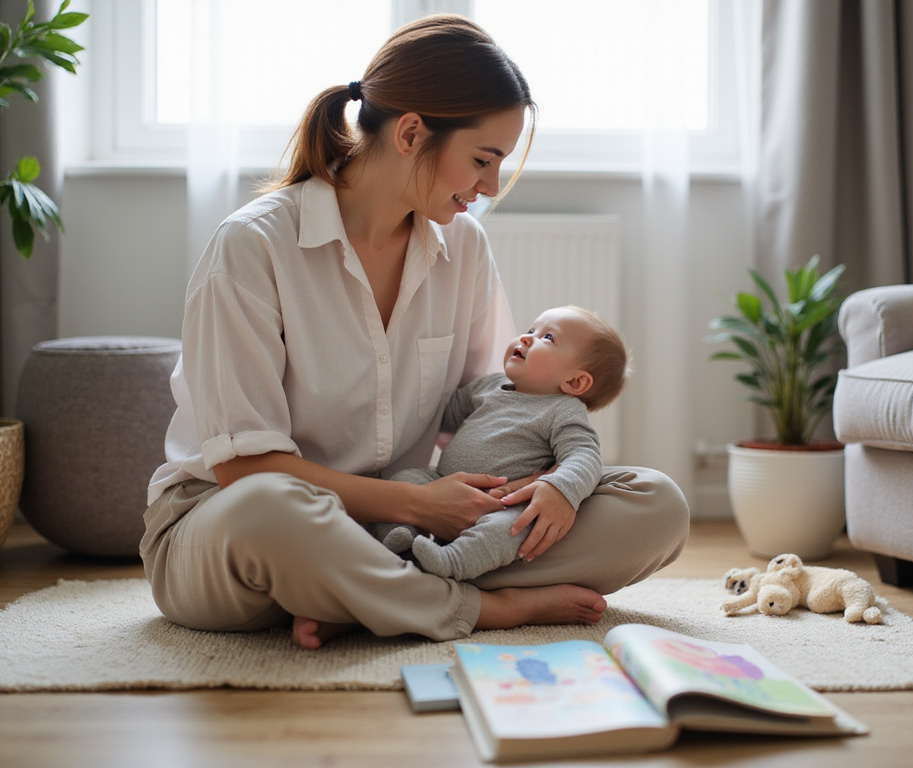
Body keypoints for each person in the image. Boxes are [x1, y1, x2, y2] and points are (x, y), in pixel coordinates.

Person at [140, 14, 689, 652]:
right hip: (230, 531)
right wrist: (416, 508)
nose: (488, 188)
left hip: (403, 538)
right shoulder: (253, 246)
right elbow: (244, 469)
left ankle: (363, 597)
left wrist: (550, 491)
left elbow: (497, 416)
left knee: (657, 505)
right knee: (275, 507)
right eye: (482, 160)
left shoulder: (466, 251)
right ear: (409, 132)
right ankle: (479, 608)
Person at [368, 305, 628, 581]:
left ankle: (452, 563)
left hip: (503, 504)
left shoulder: (562, 410)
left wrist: (559, 489)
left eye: (548, 338)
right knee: (405, 480)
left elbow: (585, 455)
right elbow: (441, 414)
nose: (526, 338)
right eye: (530, 330)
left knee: (512, 528)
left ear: (575, 382)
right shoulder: (488, 386)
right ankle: (401, 541)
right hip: (443, 482)